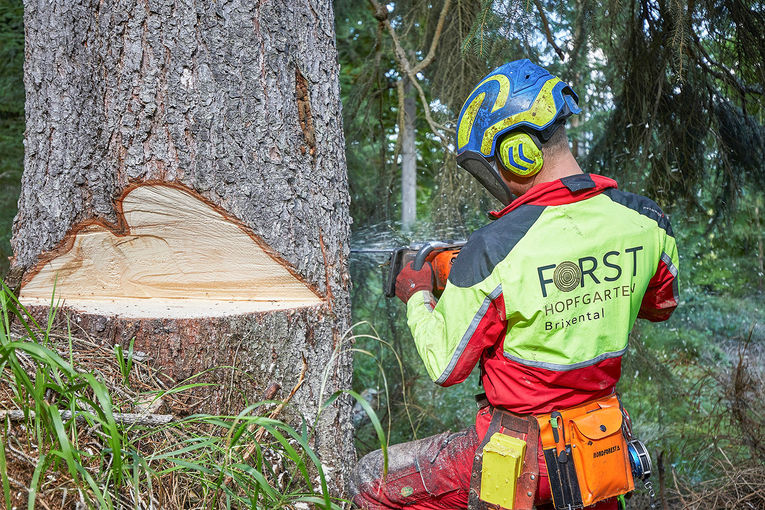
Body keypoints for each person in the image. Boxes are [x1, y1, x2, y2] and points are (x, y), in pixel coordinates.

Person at [349, 59, 679, 510]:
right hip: (599, 444)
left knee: (369, 481)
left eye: (490, 167)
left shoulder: (495, 248)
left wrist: (419, 294)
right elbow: (658, 305)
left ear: (518, 151)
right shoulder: (647, 222)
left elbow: (446, 366)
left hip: (520, 454)